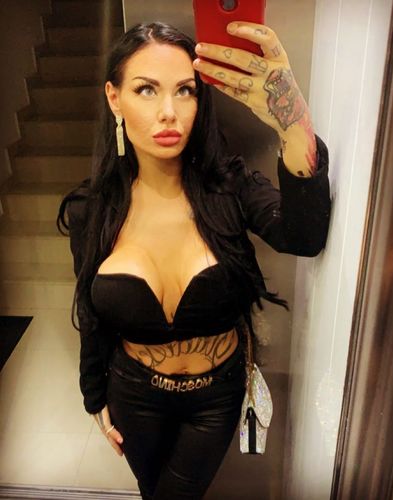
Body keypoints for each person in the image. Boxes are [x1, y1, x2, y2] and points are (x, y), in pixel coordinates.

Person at [57, 20, 331, 500]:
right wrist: (93, 393)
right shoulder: (91, 209)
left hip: (216, 397)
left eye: (185, 90)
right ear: (114, 98)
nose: (169, 112)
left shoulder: (230, 187)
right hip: (133, 393)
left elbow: (304, 237)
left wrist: (293, 121)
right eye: (146, 89)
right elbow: (90, 309)